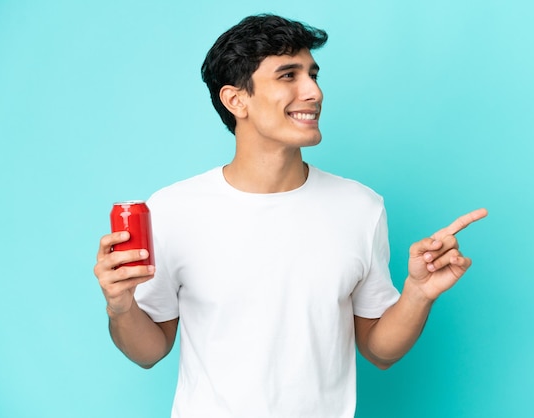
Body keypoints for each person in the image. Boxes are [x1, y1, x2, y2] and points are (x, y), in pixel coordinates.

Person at [94, 14, 487, 418]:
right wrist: (121, 306)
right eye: (288, 75)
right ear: (236, 100)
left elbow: (378, 350)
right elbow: (148, 351)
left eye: (313, 75)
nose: (313, 91)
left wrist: (418, 295)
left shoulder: (361, 207)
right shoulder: (173, 210)